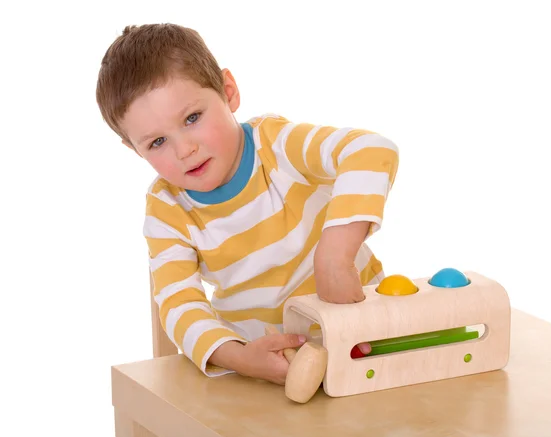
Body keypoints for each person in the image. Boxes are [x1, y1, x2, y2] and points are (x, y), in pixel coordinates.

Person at [96, 23, 399, 386]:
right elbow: (180, 305)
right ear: (134, 149)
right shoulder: (167, 208)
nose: (184, 150)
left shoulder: (277, 146)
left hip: (367, 340)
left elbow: (370, 150)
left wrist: (334, 254)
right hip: (271, 369)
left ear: (228, 92)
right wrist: (239, 357)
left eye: (192, 118)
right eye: (157, 142)